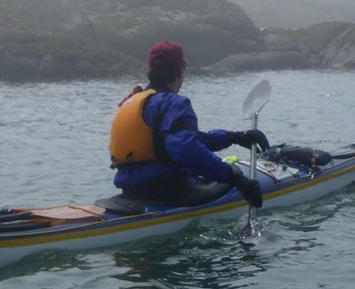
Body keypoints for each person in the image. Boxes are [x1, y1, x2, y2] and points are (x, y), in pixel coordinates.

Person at [110, 40, 269, 207]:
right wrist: (236, 178)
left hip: (131, 191)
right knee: (232, 171)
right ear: (180, 71)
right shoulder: (173, 103)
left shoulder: (135, 101)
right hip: (166, 192)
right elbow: (185, 149)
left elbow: (186, 140)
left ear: (151, 70)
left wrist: (235, 137)